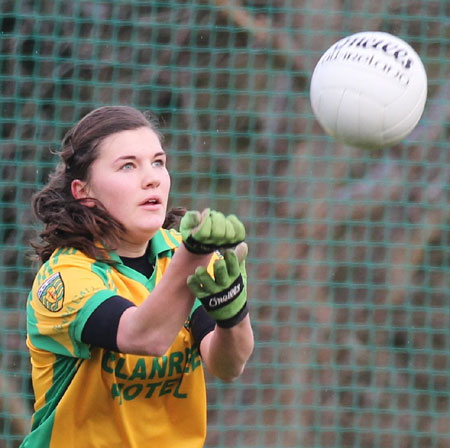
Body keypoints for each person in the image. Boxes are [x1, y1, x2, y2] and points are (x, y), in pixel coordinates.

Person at [22, 105, 254, 448]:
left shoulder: (180, 253)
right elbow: (146, 336)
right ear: (82, 191)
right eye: (128, 165)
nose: (153, 178)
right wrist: (192, 256)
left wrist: (231, 310)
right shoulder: (64, 277)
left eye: (158, 162)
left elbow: (228, 365)